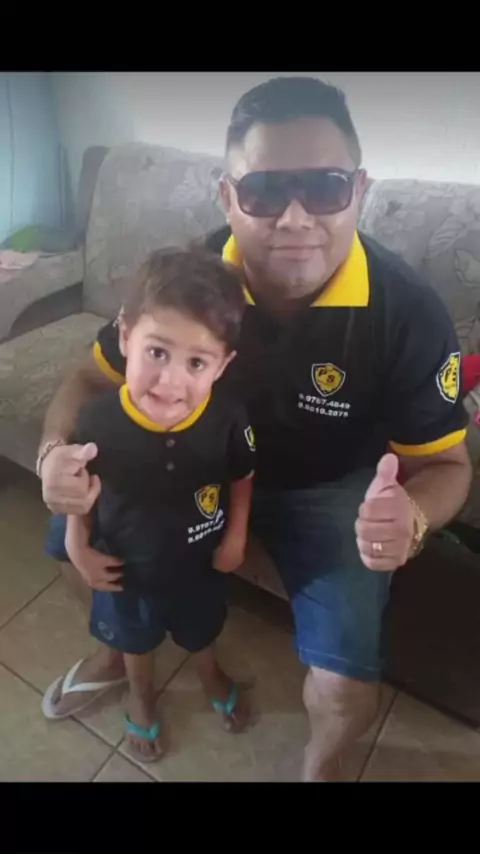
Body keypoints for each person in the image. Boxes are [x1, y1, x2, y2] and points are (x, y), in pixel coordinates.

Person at [38, 76, 472, 781]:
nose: (295, 218)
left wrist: (414, 517)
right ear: (227, 196)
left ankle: (320, 765)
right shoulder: (191, 281)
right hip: (197, 459)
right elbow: (91, 379)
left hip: (329, 490)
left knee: (344, 687)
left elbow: (449, 465)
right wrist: (53, 457)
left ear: (360, 190)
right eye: (265, 191)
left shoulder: (407, 312)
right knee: (66, 536)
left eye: (325, 187)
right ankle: (118, 650)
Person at [42, 247, 255, 763]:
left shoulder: (228, 419)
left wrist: (236, 536)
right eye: (157, 352)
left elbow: (242, 474)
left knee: (201, 630)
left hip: (199, 561)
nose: (170, 382)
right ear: (125, 337)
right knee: (134, 642)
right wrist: (77, 544)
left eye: (196, 362)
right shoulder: (96, 420)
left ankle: (210, 674)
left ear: (222, 365)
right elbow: (81, 492)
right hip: (125, 565)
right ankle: (140, 694)